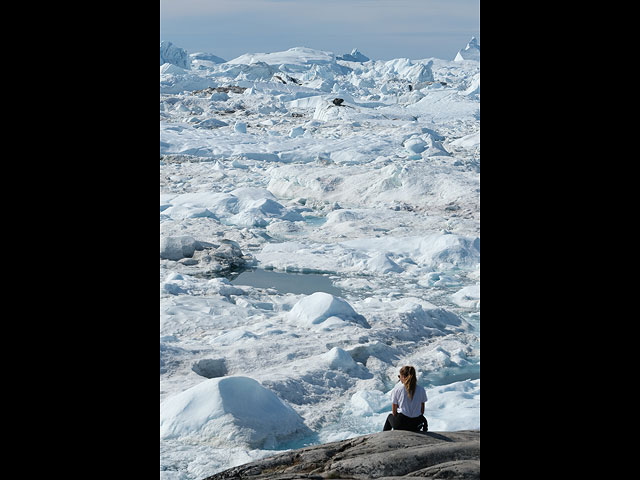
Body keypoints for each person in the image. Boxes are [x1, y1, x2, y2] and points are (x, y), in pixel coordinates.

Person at [382, 366, 428, 432]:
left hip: (401, 424)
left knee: (390, 416)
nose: (399, 378)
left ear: (403, 377)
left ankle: (384, 436)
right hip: (416, 425)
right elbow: (422, 411)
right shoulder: (421, 390)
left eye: (399, 376)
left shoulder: (397, 390)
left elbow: (394, 412)